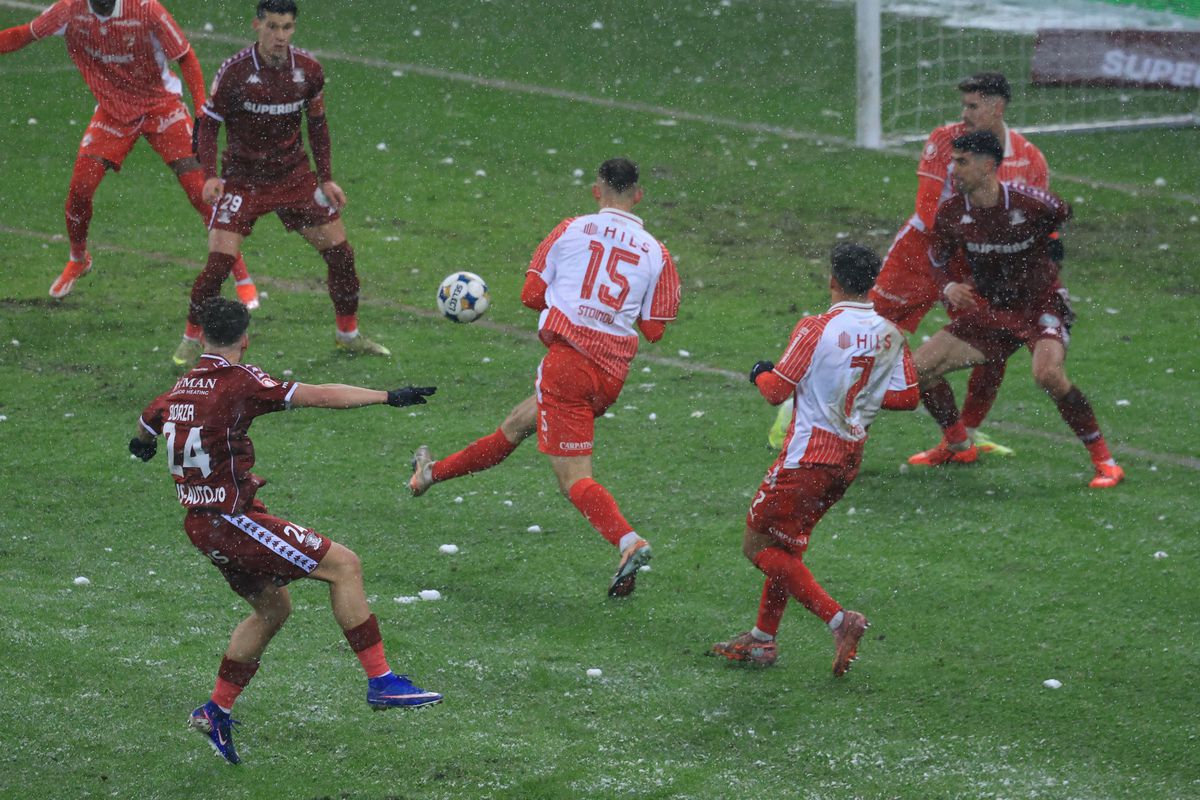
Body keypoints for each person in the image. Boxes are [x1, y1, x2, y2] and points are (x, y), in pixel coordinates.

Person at [130, 296, 442, 765]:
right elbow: (319, 395)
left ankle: (216, 710)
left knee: (272, 609)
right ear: (244, 338)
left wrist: (141, 446)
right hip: (231, 520)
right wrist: (387, 396)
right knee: (343, 565)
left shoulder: (179, 388)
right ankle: (382, 682)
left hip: (201, 524)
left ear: (203, 336)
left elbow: (146, 425)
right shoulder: (239, 381)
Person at [409, 157, 681, 598]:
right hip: (610, 375)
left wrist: (571, 300)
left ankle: (628, 542)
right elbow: (654, 329)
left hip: (568, 366)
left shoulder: (571, 229)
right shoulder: (657, 252)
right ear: (638, 195)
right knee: (517, 425)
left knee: (574, 479)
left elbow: (531, 295)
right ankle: (428, 475)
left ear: (596, 190)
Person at [712, 243, 918, 675]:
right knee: (787, 546)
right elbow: (908, 397)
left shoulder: (816, 328)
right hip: (847, 460)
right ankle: (762, 640)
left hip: (807, 459)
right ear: (872, 283)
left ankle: (840, 621)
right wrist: (857, 397)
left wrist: (759, 372)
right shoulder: (891, 333)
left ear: (833, 281)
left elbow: (776, 391)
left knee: (758, 545)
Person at [170, 0, 386, 367]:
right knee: (219, 264)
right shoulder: (235, 72)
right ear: (257, 26)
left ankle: (348, 335)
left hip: (293, 177)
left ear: (294, 28)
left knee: (341, 254)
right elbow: (208, 124)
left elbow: (317, 124)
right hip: (242, 180)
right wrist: (210, 175)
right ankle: (191, 339)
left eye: (286, 27)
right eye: (272, 27)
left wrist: (326, 178)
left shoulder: (308, 71)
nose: (280, 36)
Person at [0, 0, 258, 304]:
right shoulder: (68, 10)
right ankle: (79, 259)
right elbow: (23, 34)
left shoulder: (147, 10)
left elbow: (185, 56)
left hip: (162, 106)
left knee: (200, 192)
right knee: (80, 189)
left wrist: (201, 110)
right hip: (114, 112)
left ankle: (241, 274)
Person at [910, 130, 1123, 489]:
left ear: (988, 166)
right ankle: (959, 445)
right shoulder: (952, 213)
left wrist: (1051, 249)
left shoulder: (1031, 202)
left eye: (962, 162)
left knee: (1047, 375)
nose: (953, 170)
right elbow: (937, 259)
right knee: (918, 370)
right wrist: (948, 286)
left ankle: (1106, 462)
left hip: (1041, 304)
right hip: (994, 311)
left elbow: (1061, 214)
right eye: (952, 161)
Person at [866, 71, 1053, 463]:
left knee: (992, 345)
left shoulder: (1030, 159)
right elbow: (927, 208)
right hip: (922, 252)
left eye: (973, 106)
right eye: (963, 105)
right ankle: (813, 414)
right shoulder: (944, 140)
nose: (964, 115)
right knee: (868, 332)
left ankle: (962, 439)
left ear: (997, 107)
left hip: (978, 262)